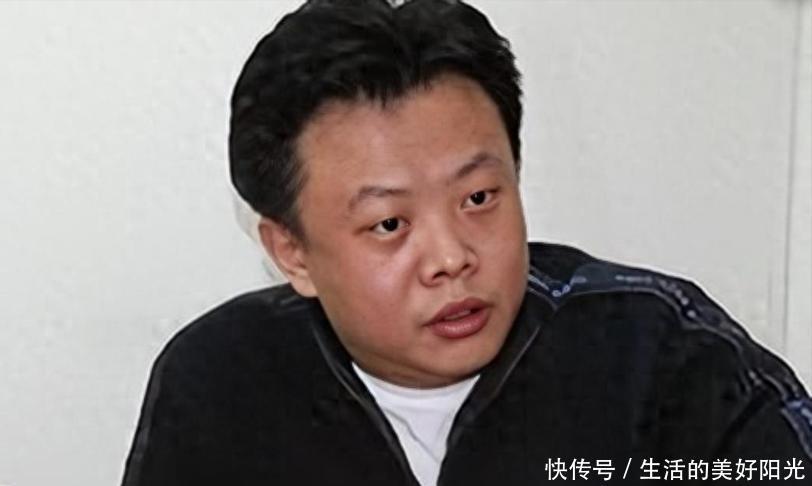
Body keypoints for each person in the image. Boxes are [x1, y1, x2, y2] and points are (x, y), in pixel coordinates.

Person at [121, 1, 812, 485]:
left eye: (479, 198)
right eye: (390, 224)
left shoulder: (658, 356)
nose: (452, 257)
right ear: (290, 251)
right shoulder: (221, 385)